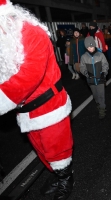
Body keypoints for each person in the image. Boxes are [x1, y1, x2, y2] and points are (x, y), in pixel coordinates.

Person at [0, 1, 74, 199]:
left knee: (57, 151)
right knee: (42, 150)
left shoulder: (32, 34)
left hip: (49, 107)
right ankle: (56, 175)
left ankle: (66, 179)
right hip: (26, 112)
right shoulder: (5, 43)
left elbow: (30, 75)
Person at [80, 36, 109, 119]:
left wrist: (104, 73)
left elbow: (105, 65)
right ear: (86, 47)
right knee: (95, 95)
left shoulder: (100, 55)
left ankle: (102, 109)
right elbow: (82, 67)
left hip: (100, 79)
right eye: (89, 47)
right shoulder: (84, 57)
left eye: (92, 46)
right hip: (91, 80)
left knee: (101, 95)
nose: (91, 49)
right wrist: (86, 73)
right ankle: (99, 104)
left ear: (95, 45)